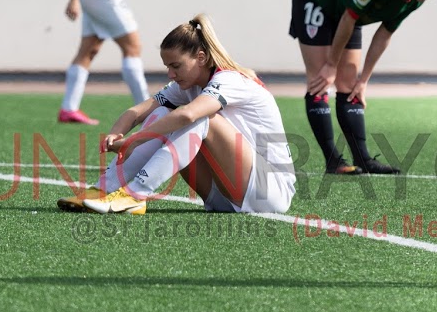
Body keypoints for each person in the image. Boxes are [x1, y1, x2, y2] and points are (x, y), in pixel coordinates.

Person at [57, 13, 296, 215]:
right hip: (223, 198)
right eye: (167, 67)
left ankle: (136, 193)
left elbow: (188, 116)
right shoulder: (188, 85)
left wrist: (133, 140)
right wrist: (116, 134)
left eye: (176, 66)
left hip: (269, 192)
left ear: (201, 58)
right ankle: (101, 189)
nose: (170, 74)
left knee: (200, 119)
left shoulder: (230, 79)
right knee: (163, 113)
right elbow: (137, 111)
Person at [290, 0, 437, 175]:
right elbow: (348, 19)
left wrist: (364, 80)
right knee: (320, 78)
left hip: (348, 10)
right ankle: (333, 161)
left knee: (350, 83)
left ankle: (363, 159)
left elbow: (383, 35)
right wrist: (331, 65)